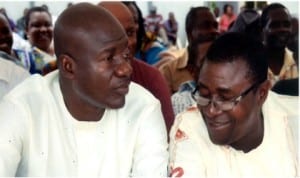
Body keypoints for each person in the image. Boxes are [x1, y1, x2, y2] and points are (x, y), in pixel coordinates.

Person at [0, 3, 168, 177]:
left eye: (125, 55)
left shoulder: (143, 108)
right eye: (109, 58)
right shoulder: (22, 107)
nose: (126, 69)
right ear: (68, 67)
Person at [169, 32, 299, 177]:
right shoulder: (190, 127)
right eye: (204, 94)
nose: (211, 111)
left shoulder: (294, 120)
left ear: (261, 94)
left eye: (225, 98)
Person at [100, 2, 174, 133]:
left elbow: (167, 139)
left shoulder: (151, 79)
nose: (126, 42)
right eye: (114, 34)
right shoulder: (61, 80)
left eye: (130, 32)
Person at [159, 6, 219, 93]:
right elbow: (167, 105)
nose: (214, 31)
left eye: (215, 26)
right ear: (190, 32)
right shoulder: (169, 71)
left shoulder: (227, 68)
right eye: (206, 26)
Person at [261, 3, 298, 87]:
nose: (283, 29)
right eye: (275, 25)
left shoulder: (296, 61)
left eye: (286, 25)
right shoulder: (251, 64)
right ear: (262, 31)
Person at [25, 6, 55, 74]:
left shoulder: (62, 49)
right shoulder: (27, 57)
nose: (43, 29)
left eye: (47, 25)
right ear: (27, 30)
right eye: (36, 25)